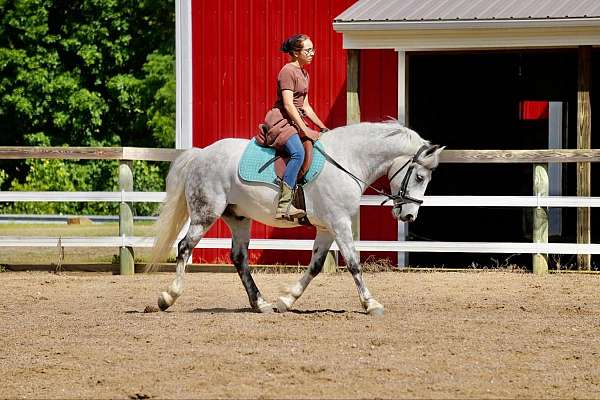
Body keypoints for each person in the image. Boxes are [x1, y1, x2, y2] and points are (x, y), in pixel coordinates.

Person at [258, 34, 329, 220]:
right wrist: (306, 130)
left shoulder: (305, 73)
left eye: (313, 49)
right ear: (296, 53)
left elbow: (305, 106)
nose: (312, 53)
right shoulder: (287, 71)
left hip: (294, 120)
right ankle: (284, 206)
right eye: (308, 50)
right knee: (298, 153)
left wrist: (322, 128)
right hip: (281, 120)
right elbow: (289, 105)